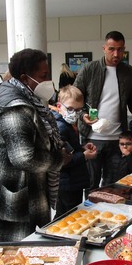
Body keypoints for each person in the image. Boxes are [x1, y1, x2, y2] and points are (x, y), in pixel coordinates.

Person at [0, 49, 68, 241]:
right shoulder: (14, 109)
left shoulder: (27, 96)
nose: (48, 81)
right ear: (25, 78)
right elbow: (24, 157)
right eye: (43, 76)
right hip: (8, 192)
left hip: (15, 185)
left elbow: (40, 133)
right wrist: (58, 160)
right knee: (13, 251)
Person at [74, 31, 132, 189]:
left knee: (114, 182)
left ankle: (111, 213)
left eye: (120, 49)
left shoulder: (129, 71)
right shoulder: (89, 69)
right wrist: (83, 114)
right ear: (104, 48)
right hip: (92, 138)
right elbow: (74, 98)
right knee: (91, 183)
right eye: (112, 49)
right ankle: (90, 213)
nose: (116, 53)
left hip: (117, 139)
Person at [53, 85, 97, 217]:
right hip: (67, 182)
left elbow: (70, 148)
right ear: (59, 106)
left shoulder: (68, 124)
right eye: (70, 109)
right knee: (68, 215)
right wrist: (84, 156)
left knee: (65, 213)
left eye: (78, 110)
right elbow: (63, 160)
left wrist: (81, 147)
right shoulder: (61, 127)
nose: (74, 113)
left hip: (72, 181)